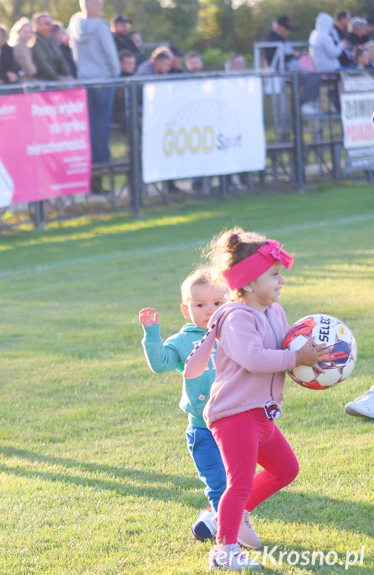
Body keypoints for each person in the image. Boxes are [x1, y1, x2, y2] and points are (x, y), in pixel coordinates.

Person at [185, 229, 330, 570]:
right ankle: (224, 551)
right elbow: (255, 358)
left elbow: (285, 350)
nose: (281, 282)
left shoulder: (275, 312)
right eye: (274, 275)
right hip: (234, 413)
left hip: (261, 414)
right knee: (240, 481)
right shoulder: (236, 318)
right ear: (249, 283)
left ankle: (223, 517)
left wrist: (313, 359)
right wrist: (297, 359)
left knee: (286, 469)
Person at [139, 269, 261, 545]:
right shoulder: (183, 341)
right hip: (202, 430)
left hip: (236, 425)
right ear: (186, 310)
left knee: (240, 484)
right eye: (200, 305)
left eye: (217, 303)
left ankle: (214, 519)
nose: (209, 311)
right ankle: (229, 536)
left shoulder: (234, 331)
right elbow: (160, 364)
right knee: (218, 484)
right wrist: (152, 334)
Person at [69, 0, 120, 192]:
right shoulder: (100, 27)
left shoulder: (74, 25)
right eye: (98, 2)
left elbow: (75, 54)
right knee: (101, 130)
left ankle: (93, 180)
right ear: (88, 4)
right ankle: (99, 175)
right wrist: (116, 75)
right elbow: (111, 55)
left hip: (85, 82)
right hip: (104, 82)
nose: (102, 6)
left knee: (89, 131)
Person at [31, 13, 72, 82]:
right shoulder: (33, 41)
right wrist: (57, 79)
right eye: (47, 23)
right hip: (44, 81)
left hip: (57, 80)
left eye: (51, 23)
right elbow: (42, 64)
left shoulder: (52, 39)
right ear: (37, 26)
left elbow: (60, 59)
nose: (51, 26)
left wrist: (67, 75)